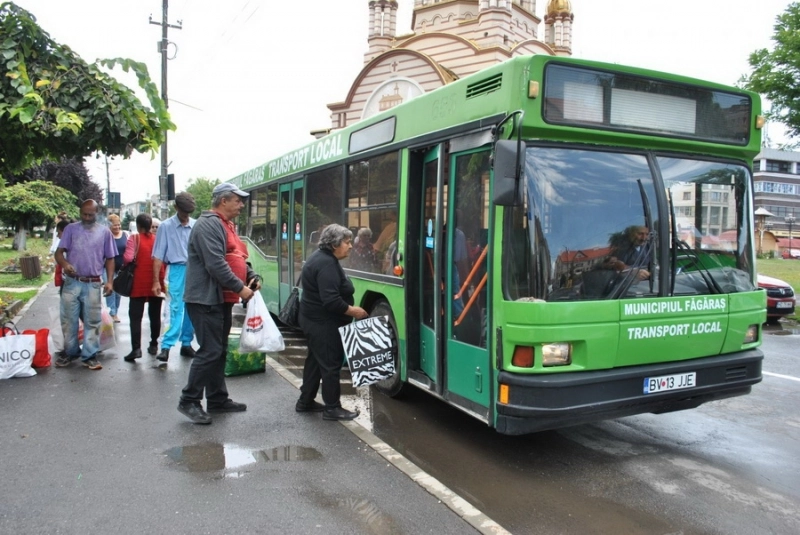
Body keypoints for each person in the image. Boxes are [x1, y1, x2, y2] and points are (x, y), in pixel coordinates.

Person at [178, 183, 259, 425]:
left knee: (218, 349)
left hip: (220, 298)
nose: (241, 204)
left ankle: (217, 399)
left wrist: (251, 275)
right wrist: (240, 288)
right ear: (223, 201)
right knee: (210, 350)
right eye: (237, 200)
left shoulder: (226, 225)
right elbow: (215, 263)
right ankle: (189, 400)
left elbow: (238, 257)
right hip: (205, 298)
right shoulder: (208, 224)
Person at [296, 224, 369, 421]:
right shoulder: (326, 264)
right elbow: (331, 301)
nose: (350, 246)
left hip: (313, 319)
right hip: (323, 322)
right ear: (334, 244)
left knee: (315, 362)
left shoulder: (322, 258)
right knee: (330, 364)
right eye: (346, 242)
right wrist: (353, 311)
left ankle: (305, 401)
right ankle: (332, 408)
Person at [54, 200, 117, 371]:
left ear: (97, 213)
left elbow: (110, 259)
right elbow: (59, 253)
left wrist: (110, 281)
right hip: (72, 283)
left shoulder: (104, 233)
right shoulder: (71, 229)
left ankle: (89, 355)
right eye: (84, 214)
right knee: (68, 321)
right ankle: (70, 352)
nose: (87, 217)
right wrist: (65, 264)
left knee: (93, 322)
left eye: (91, 214)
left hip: (93, 283)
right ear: (80, 212)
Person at [152, 192, 196, 362]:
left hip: (194, 270)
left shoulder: (196, 225)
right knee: (174, 308)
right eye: (183, 212)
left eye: (189, 213)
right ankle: (166, 346)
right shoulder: (166, 226)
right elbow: (158, 255)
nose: (186, 216)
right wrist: (156, 280)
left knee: (192, 307)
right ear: (176, 208)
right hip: (176, 270)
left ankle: (186, 343)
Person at [122, 214, 166, 363]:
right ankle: (154, 344)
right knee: (155, 314)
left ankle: (136, 349)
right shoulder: (158, 240)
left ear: (138, 226)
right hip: (156, 281)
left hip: (139, 281)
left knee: (135, 316)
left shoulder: (134, 239)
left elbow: (128, 258)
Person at [106, 214, 128, 322]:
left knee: (118, 291)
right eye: (115, 225)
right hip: (107, 267)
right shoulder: (106, 235)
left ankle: (115, 311)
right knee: (111, 289)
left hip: (121, 268)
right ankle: (112, 313)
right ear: (110, 225)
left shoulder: (125, 235)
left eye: (119, 225)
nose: (117, 227)